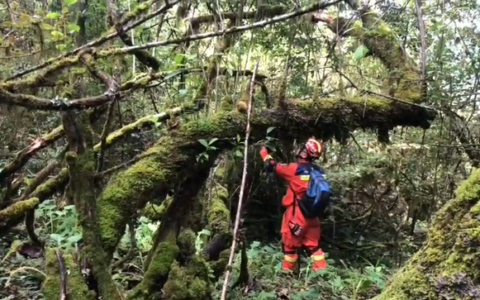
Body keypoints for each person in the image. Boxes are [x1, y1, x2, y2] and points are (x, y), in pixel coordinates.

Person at [259, 137, 327, 272]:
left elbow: (271, 165)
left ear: (304, 153)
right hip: (314, 216)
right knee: (314, 247)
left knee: (290, 247)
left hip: (296, 216)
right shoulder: (320, 172)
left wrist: (263, 151)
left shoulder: (294, 169)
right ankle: (322, 274)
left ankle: (287, 275)